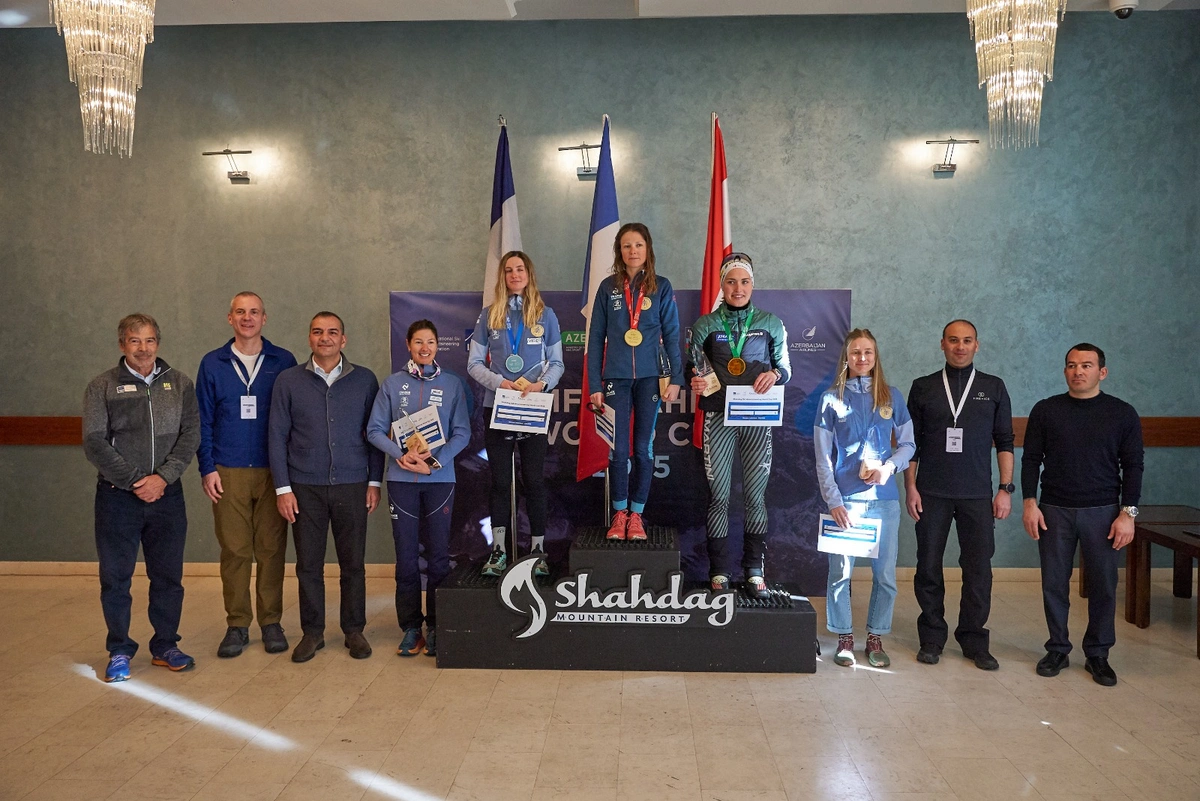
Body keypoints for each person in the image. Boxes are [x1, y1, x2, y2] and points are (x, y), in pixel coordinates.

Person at [83, 314, 200, 682]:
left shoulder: (179, 383)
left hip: (167, 496)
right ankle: (119, 650)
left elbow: (190, 435)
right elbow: (94, 442)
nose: (143, 348)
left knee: (168, 577)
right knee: (116, 578)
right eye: (135, 341)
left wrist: (162, 478)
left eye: (149, 340)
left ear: (157, 344)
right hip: (117, 498)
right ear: (123, 345)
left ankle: (166, 645)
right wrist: (136, 481)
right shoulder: (102, 386)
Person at [1022, 343, 1143, 687]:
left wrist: (1128, 513)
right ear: (1065, 371)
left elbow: (1133, 465)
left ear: (1102, 372)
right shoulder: (1046, 410)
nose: (1078, 371)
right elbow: (1031, 459)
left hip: (1103, 512)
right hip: (1054, 509)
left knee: (1103, 585)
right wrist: (1029, 502)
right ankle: (1058, 648)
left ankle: (1098, 654)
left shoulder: (1122, 413)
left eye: (1086, 365)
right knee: (1054, 583)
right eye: (1072, 365)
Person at [268, 312, 383, 663]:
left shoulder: (364, 380)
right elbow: (276, 436)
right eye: (318, 332)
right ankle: (313, 632)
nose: (325, 338)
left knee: (353, 564)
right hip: (305, 487)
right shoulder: (289, 380)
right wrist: (282, 489)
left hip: (353, 484)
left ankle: (354, 630)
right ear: (309, 338)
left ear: (343, 340)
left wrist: (374, 481)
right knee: (308, 565)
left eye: (332, 332)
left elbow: (376, 433)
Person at [904, 320, 1014, 670]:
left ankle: (974, 639)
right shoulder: (923, 387)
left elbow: (1006, 442)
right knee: (928, 566)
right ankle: (932, 637)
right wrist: (910, 487)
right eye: (953, 340)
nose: (960, 346)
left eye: (967, 341)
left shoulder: (993, 387)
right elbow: (911, 444)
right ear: (942, 344)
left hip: (977, 495)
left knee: (978, 569)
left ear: (976, 345)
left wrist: (1005, 489)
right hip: (931, 493)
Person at [196, 292, 297, 658]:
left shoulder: (283, 361)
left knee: (271, 550)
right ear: (230, 318)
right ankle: (237, 624)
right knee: (235, 551)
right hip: (228, 471)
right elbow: (202, 420)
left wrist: (290, 475)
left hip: (274, 471)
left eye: (254, 312)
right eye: (240, 312)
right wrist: (207, 468)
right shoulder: (213, 363)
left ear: (264, 318)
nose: (247, 318)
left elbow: (294, 419)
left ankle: (271, 622)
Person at [687, 252, 791, 598]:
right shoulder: (705, 325)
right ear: (722, 284)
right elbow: (694, 369)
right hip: (718, 417)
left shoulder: (770, 322)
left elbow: (785, 368)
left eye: (744, 281)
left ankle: (754, 570)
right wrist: (695, 381)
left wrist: (775, 374)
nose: (738, 288)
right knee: (719, 495)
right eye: (731, 281)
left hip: (757, 417)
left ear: (752, 284)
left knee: (755, 496)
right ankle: (719, 570)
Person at [368, 320, 471, 657]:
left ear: (437, 346)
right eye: (418, 342)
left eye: (430, 342)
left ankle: (437, 625)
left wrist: (434, 463)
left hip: (439, 480)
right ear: (408, 345)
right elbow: (374, 430)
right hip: (402, 482)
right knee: (407, 558)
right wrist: (399, 455)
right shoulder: (392, 384)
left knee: (439, 557)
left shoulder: (452, 384)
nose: (424, 348)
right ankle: (411, 628)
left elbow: (462, 433)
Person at [814, 328, 915, 668]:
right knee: (840, 575)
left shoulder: (892, 396)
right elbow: (823, 458)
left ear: (875, 356)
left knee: (885, 576)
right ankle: (844, 637)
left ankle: (875, 636)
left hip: (884, 501)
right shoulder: (831, 399)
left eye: (868, 352)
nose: (862, 358)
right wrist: (834, 501)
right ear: (846, 357)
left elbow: (909, 445)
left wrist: (889, 468)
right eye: (856, 352)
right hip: (847, 502)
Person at [467, 251, 565, 577]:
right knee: (499, 481)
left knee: (534, 480)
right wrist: (500, 383)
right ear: (503, 277)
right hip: (498, 405)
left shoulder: (545, 315)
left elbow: (557, 363)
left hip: (532, 405)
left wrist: (542, 385)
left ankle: (537, 552)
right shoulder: (489, 315)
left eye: (520, 269)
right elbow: (474, 364)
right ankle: (498, 551)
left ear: (528, 273)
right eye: (508, 270)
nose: (514, 274)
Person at [586, 222, 683, 541]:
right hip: (616, 377)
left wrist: (676, 378)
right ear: (619, 250)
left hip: (651, 379)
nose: (633, 251)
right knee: (618, 449)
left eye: (638, 244)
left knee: (643, 448)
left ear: (648, 248)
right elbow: (595, 337)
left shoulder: (661, 287)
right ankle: (619, 515)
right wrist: (595, 385)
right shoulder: (607, 287)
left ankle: (637, 515)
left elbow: (672, 334)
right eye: (627, 245)